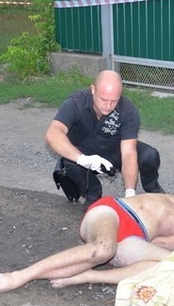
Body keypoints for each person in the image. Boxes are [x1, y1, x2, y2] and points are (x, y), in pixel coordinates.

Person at [0, 193, 174, 296]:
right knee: (104, 249)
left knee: (106, 252)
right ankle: (19, 276)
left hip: (133, 237)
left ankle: (83, 276)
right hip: (114, 211)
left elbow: (161, 243)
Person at [46, 70, 164, 205]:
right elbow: (52, 133)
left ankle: (152, 188)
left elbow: (128, 153)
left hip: (114, 151)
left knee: (150, 155)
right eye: (103, 99)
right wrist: (82, 159)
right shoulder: (75, 103)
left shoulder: (128, 110)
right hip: (85, 155)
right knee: (70, 162)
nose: (108, 106)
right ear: (93, 90)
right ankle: (93, 193)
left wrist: (130, 193)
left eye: (114, 101)